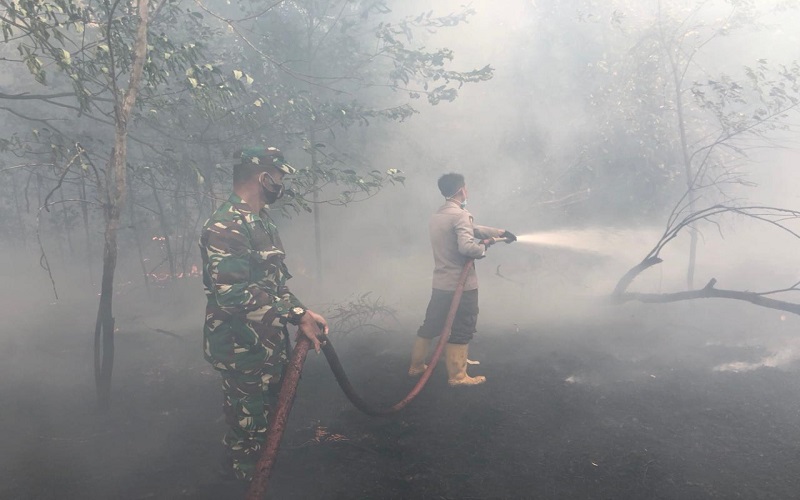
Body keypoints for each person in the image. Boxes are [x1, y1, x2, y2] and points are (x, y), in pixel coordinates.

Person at [199, 145, 328, 482]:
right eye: (279, 177)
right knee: (249, 426)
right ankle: (244, 482)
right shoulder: (226, 224)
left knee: (269, 418)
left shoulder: (261, 222)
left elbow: (274, 283)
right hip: (240, 348)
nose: (281, 185)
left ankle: (264, 474)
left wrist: (302, 311)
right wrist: (295, 314)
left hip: (268, 343)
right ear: (263, 177)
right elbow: (233, 295)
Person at [408, 173, 516, 386]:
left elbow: (472, 229)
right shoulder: (460, 216)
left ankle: (416, 366)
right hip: (462, 285)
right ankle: (458, 376)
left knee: (431, 324)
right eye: (466, 188)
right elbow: (467, 246)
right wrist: (484, 246)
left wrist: (500, 232)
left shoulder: (439, 215)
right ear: (461, 190)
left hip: (441, 283)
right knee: (463, 326)